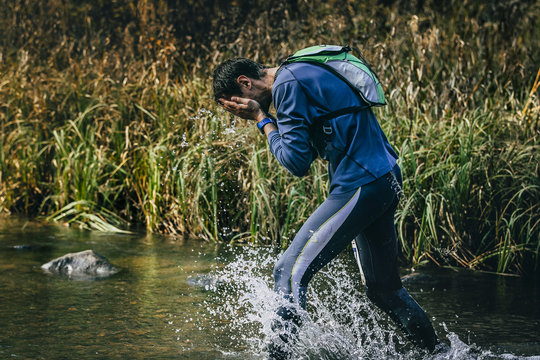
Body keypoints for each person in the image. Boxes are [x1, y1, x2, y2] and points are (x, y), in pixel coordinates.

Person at [212, 53, 439, 358]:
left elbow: (295, 162)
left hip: (361, 184)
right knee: (385, 291)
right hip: (383, 176)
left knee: (288, 271)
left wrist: (261, 119)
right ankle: (440, 354)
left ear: (245, 83)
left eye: (236, 105)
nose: (237, 113)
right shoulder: (301, 69)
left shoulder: (287, 87)